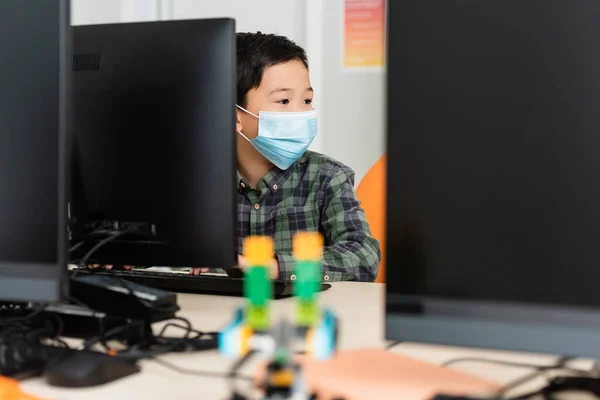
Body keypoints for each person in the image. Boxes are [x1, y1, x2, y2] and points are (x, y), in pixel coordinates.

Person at [94, 32, 380, 282]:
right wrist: (122, 253)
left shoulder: (327, 177)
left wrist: (271, 267)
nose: (301, 113)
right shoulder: (194, 181)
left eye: (306, 100)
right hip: (217, 319)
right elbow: (155, 241)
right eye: (283, 101)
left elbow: (363, 257)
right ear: (234, 117)